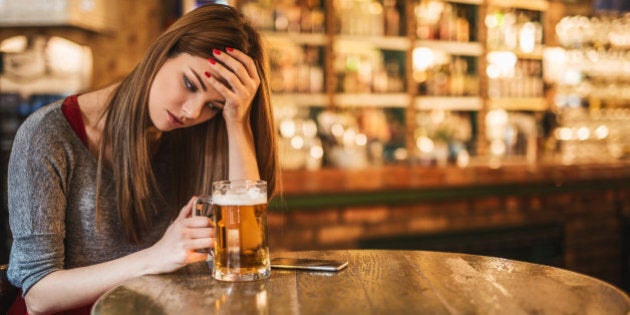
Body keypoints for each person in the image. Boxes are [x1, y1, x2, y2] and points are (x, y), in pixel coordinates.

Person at [6, 4, 278, 314]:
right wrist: (158, 256)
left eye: (213, 106)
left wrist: (236, 119)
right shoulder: (48, 134)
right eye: (190, 84)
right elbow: (38, 296)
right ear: (161, 52)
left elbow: (243, 251)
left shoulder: (195, 136)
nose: (192, 112)